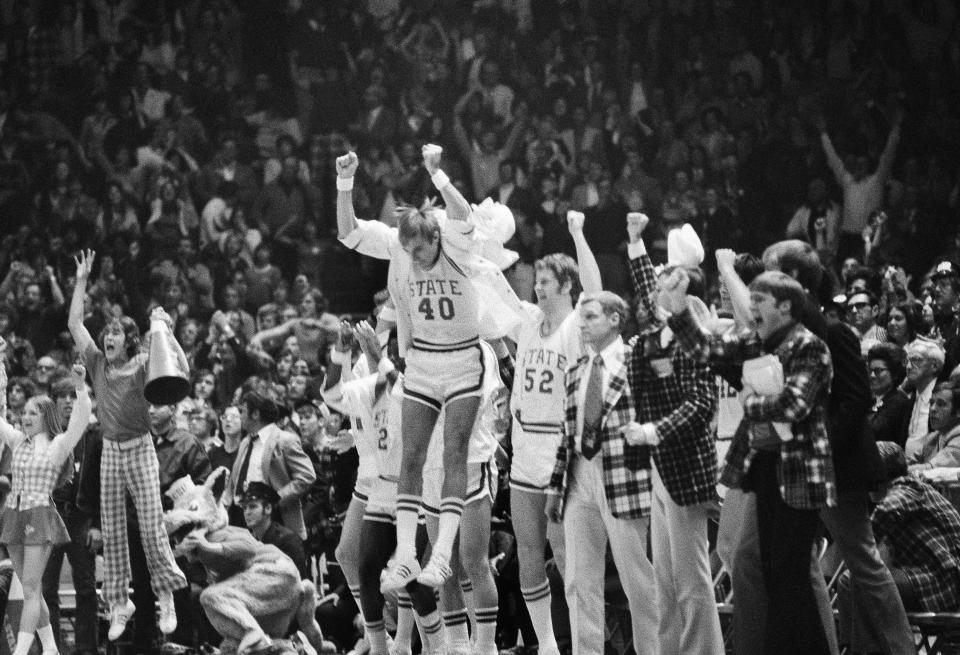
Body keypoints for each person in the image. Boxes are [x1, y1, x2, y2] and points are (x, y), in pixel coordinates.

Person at [335, 146, 523, 589]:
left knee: (455, 452)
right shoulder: (403, 243)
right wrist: (345, 183)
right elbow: (349, 232)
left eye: (421, 250)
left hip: (461, 361)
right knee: (412, 456)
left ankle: (440, 557)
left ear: (435, 239)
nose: (414, 258)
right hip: (420, 363)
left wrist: (437, 175)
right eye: (408, 250)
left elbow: (461, 211)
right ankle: (406, 556)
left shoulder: (457, 242)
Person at [662, 268, 837, 654]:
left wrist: (750, 403)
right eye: (751, 298)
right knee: (767, 570)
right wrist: (677, 312)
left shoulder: (809, 346)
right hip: (761, 470)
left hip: (799, 475)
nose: (750, 306)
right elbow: (707, 349)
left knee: (789, 575)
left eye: (760, 300)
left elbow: (795, 403)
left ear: (786, 307)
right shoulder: (757, 343)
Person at [67, 249, 188, 641]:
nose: (109, 337)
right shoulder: (99, 362)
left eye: (116, 333)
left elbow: (181, 370)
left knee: (152, 528)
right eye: (107, 333)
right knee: (114, 531)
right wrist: (82, 280)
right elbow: (73, 322)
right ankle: (120, 601)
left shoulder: (140, 364)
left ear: (130, 339)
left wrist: (166, 332)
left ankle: (165, 591)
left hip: (139, 448)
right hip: (109, 452)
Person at [502, 207, 601, 655]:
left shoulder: (575, 327)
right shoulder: (525, 323)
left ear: (564, 287)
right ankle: (545, 645)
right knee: (527, 555)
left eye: (545, 281)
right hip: (524, 446)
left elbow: (596, 288)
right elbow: (488, 292)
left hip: (561, 450)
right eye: (535, 280)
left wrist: (578, 234)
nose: (536, 286)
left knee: (567, 559)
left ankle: (582, 644)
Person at [623, 214, 724, 654]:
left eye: (667, 281)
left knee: (691, 579)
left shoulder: (696, 332)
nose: (655, 289)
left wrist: (651, 431)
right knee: (665, 580)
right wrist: (635, 242)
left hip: (685, 468)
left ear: (685, 291)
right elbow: (649, 289)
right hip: (660, 468)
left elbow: (701, 405)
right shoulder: (664, 327)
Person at [544, 291, 658, 655]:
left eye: (591, 317)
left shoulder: (635, 362)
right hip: (580, 477)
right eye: (582, 318)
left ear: (614, 319)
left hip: (624, 478)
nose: (583, 324)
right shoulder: (576, 370)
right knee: (578, 580)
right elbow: (566, 434)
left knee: (637, 580)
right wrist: (555, 488)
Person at [0, 361, 91, 655]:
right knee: (32, 590)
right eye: (23, 412)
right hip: (14, 516)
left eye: (32, 413)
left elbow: (80, 418)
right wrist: (1, 379)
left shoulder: (58, 446)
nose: (25, 417)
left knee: (30, 587)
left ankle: (22, 650)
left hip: (39, 515)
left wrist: (80, 388)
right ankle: (51, 646)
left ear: (46, 417)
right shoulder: (17, 442)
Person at [837, 441, 960, 641]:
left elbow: (889, 509)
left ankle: (862, 649)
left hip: (942, 583)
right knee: (861, 578)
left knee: (852, 581)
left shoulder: (905, 490)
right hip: (938, 577)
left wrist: (854, 530)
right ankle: (869, 647)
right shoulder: (914, 486)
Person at [41, 377, 102, 655]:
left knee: (87, 588)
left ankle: (86, 649)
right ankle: (52, 648)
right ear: (53, 402)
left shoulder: (93, 436)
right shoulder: (43, 436)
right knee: (46, 589)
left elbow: (106, 484)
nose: (68, 401)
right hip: (50, 516)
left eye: (73, 396)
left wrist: (98, 525)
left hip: (81, 518)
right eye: (62, 396)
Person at [224, 392, 316, 539]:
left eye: (242, 411)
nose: (238, 416)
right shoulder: (246, 442)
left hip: (275, 518)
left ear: (255, 414)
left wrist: (276, 499)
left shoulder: (285, 440)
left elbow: (307, 476)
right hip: (242, 516)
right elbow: (235, 481)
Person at [240, 481, 308, 580]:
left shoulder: (288, 540)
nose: (247, 512)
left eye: (253, 506)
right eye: (244, 508)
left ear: (268, 508)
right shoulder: (248, 540)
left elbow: (299, 581)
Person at [906, 381, 960, 472]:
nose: (932, 409)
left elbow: (931, 469)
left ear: (958, 412)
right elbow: (908, 463)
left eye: (941, 404)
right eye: (931, 403)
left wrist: (896, 472)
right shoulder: (933, 437)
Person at [866, 343, 910, 448]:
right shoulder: (871, 399)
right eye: (870, 370)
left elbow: (874, 430)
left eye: (878, 371)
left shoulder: (898, 401)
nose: (872, 376)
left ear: (894, 373)